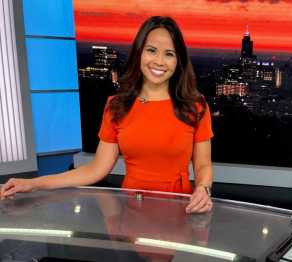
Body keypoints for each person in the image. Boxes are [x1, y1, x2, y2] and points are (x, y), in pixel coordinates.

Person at [0, 16, 214, 214]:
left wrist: (203, 189)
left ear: (178, 61)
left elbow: (203, 166)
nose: (159, 61)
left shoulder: (195, 106)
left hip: (180, 208)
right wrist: (33, 183)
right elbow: (95, 170)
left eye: (169, 54)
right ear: (139, 52)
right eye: (151, 50)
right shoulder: (117, 106)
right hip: (131, 210)